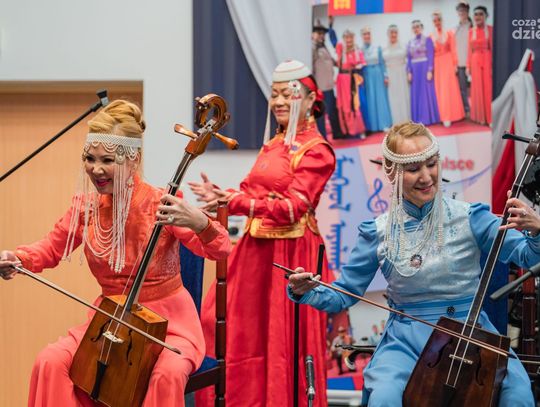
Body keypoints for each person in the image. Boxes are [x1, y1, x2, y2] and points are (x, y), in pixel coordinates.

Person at [288, 121, 538, 406]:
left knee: (518, 395)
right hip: (406, 342)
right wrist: (304, 290)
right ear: (392, 172)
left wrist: (536, 231)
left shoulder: (472, 217)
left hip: (472, 333)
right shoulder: (377, 232)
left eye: (431, 164)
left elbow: (527, 256)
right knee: (384, 398)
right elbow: (342, 295)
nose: (426, 177)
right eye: (413, 168)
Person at [0, 100, 232, 406]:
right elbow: (51, 248)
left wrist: (200, 222)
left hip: (169, 327)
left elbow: (220, 249)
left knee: (166, 374)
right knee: (51, 361)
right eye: (90, 158)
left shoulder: (161, 203)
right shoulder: (86, 207)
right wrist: (18, 258)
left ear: (133, 159)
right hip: (109, 322)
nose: (96, 169)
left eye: (107, 160)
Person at [192, 60, 336, 406]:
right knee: (225, 325)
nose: (279, 101)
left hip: (291, 253)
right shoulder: (274, 144)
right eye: (275, 94)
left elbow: (294, 207)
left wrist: (237, 201)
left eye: (289, 94)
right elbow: (249, 192)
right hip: (256, 251)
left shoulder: (317, 150)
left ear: (310, 100)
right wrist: (221, 197)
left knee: (283, 338)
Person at [431, 11, 465, 127]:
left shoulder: (449, 33)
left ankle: (453, 115)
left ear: (442, 20)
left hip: (448, 62)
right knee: (440, 90)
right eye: (435, 21)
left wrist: (455, 64)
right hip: (438, 64)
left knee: (449, 88)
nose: (437, 22)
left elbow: (453, 49)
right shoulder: (431, 36)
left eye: (439, 20)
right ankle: (443, 116)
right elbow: (430, 53)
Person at [312, 18, 342, 140]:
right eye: (318, 33)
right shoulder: (312, 48)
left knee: (332, 111)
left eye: (323, 33)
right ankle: (322, 137)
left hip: (329, 86)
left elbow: (332, 61)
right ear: (313, 34)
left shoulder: (324, 47)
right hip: (320, 87)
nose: (321, 35)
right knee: (321, 115)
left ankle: (337, 134)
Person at [407, 20, 440, 126]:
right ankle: (418, 119)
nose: (416, 29)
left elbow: (430, 55)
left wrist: (430, 70)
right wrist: (409, 71)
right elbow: (409, 58)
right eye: (414, 27)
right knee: (416, 93)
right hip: (415, 70)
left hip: (424, 68)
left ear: (421, 27)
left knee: (426, 93)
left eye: (417, 26)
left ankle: (428, 118)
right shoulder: (410, 42)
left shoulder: (427, 40)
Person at [335, 29, 366, 139]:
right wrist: (331, 26)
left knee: (355, 104)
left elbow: (363, 62)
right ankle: (347, 130)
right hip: (342, 79)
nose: (349, 40)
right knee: (344, 104)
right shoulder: (340, 48)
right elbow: (333, 40)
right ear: (344, 39)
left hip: (352, 79)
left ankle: (359, 130)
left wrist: (357, 66)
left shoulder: (357, 50)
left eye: (350, 37)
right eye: (346, 37)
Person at [360, 26, 392, 132]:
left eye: (368, 34)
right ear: (362, 36)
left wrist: (385, 76)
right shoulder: (360, 50)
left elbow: (382, 63)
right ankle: (373, 126)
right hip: (367, 75)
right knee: (370, 99)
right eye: (364, 34)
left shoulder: (377, 48)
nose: (367, 36)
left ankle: (384, 124)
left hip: (378, 74)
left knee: (380, 98)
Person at [467, 6, 493, 125]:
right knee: (477, 89)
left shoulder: (490, 30)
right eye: (476, 14)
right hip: (475, 61)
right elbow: (469, 50)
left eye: (481, 14)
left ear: (486, 16)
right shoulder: (471, 32)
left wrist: (493, 65)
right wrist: (468, 66)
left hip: (487, 60)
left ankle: (490, 117)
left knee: (488, 89)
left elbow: (493, 49)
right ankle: (480, 117)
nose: (478, 17)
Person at [382, 24, 410, 124]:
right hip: (390, 74)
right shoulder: (384, 48)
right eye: (391, 33)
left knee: (403, 95)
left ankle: (406, 119)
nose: (393, 35)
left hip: (402, 73)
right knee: (393, 97)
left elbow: (409, 61)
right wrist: (385, 76)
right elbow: (382, 64)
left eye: (395, 32)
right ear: (388, 34)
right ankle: (396, 121)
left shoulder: (403, 46)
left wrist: (409, 72)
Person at [454, 2, 472, 117]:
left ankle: (478, 111)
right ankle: (466, 110)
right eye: (460, 11)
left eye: (464, 10)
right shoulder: (455, 28)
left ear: (467, 12)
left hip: (472, 62)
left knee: (475, 89)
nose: (462, 13)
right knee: (462, 89)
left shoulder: (472, 27)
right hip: (460, 64)